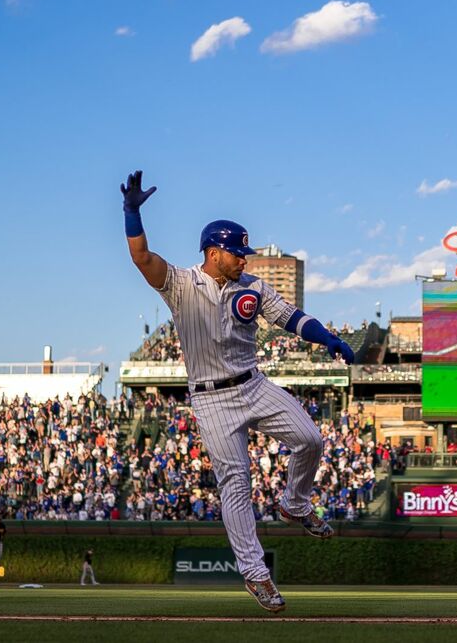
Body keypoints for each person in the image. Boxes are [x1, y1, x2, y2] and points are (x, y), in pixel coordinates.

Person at [120, 171, 354, 613]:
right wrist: (131, 213)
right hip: (211, 398)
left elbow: (291, 317)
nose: (244, 259)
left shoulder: (253, 287)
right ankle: (255, 574)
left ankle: (295, 505)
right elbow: (142, 257)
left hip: (254, 382)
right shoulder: (180, 283)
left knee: (311, 439)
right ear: (213, 252)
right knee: (236, 482)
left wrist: (327, 338)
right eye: (237, 252)